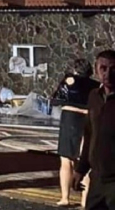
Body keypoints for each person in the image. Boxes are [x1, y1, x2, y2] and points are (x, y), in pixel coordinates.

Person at [52, 58, 98, 207]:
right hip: (87, 119)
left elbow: (57, 98)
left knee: (66, 160)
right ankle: (85, 200)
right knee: (85, 160)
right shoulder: (96, 85)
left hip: (70, 118)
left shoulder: (69, 80)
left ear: (75, 70)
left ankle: (65, 197)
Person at [74, 50, 115, 210]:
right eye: (103, 68)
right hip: (97, 178)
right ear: (96, 70)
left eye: (113, 69)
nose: (108, 74)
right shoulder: (94, 97)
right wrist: (80, 170)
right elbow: (89, 135)